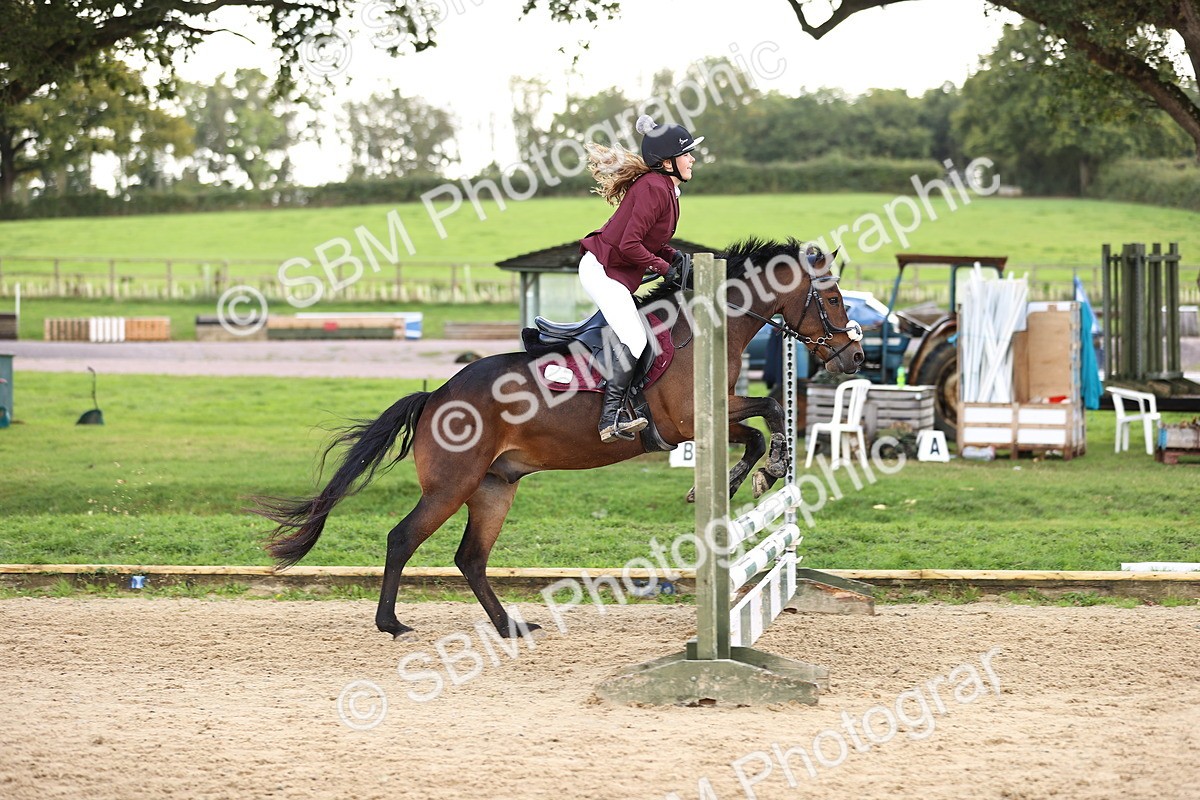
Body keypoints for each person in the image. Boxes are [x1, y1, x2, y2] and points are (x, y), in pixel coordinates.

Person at [578, 115, 703, 442]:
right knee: (635, 338)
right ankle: (610, 418)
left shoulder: (667, 190)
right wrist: (664, 269)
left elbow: (649, 241)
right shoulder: (653, 188)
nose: (692, 159)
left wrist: (672, 255)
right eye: (687, 153)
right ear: (667, 162)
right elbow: (629, 244)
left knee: (640, 332)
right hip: (602, 270)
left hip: (614, 273)